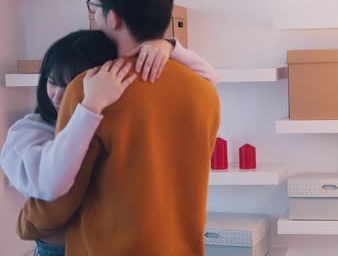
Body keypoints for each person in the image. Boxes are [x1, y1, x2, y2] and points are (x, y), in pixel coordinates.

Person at [16, 0, 221, 256]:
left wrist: (26, 224)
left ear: (113, 17)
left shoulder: (89, 89)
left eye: (96, 6)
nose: (95, 16)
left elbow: (61, 195)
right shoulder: (203, 90)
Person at [0, 29, 218, 255]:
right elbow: (50, 186)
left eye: (70, 87)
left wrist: (169, 48)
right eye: (52, 82)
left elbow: (207, 80)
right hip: (57, 248)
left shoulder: (112, 122)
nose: (57, 96)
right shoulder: (30, 130)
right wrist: (90, 105)